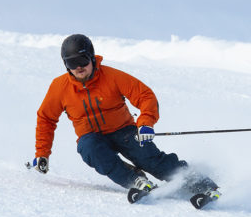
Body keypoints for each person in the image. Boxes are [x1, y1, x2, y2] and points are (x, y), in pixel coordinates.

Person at [33, 34, 218, 195]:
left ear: (92, 58)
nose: (79, 67)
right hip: (93, 139)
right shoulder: (60, 88)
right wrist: (42, 153)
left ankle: (199, 183)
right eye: (72, 63)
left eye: (82, 61)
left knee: (150, 159)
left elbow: (145, 95)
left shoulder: (112, 77)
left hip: (124, 132)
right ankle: (135, 180)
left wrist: (145, 123)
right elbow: (46, 119)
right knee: (88, 148)